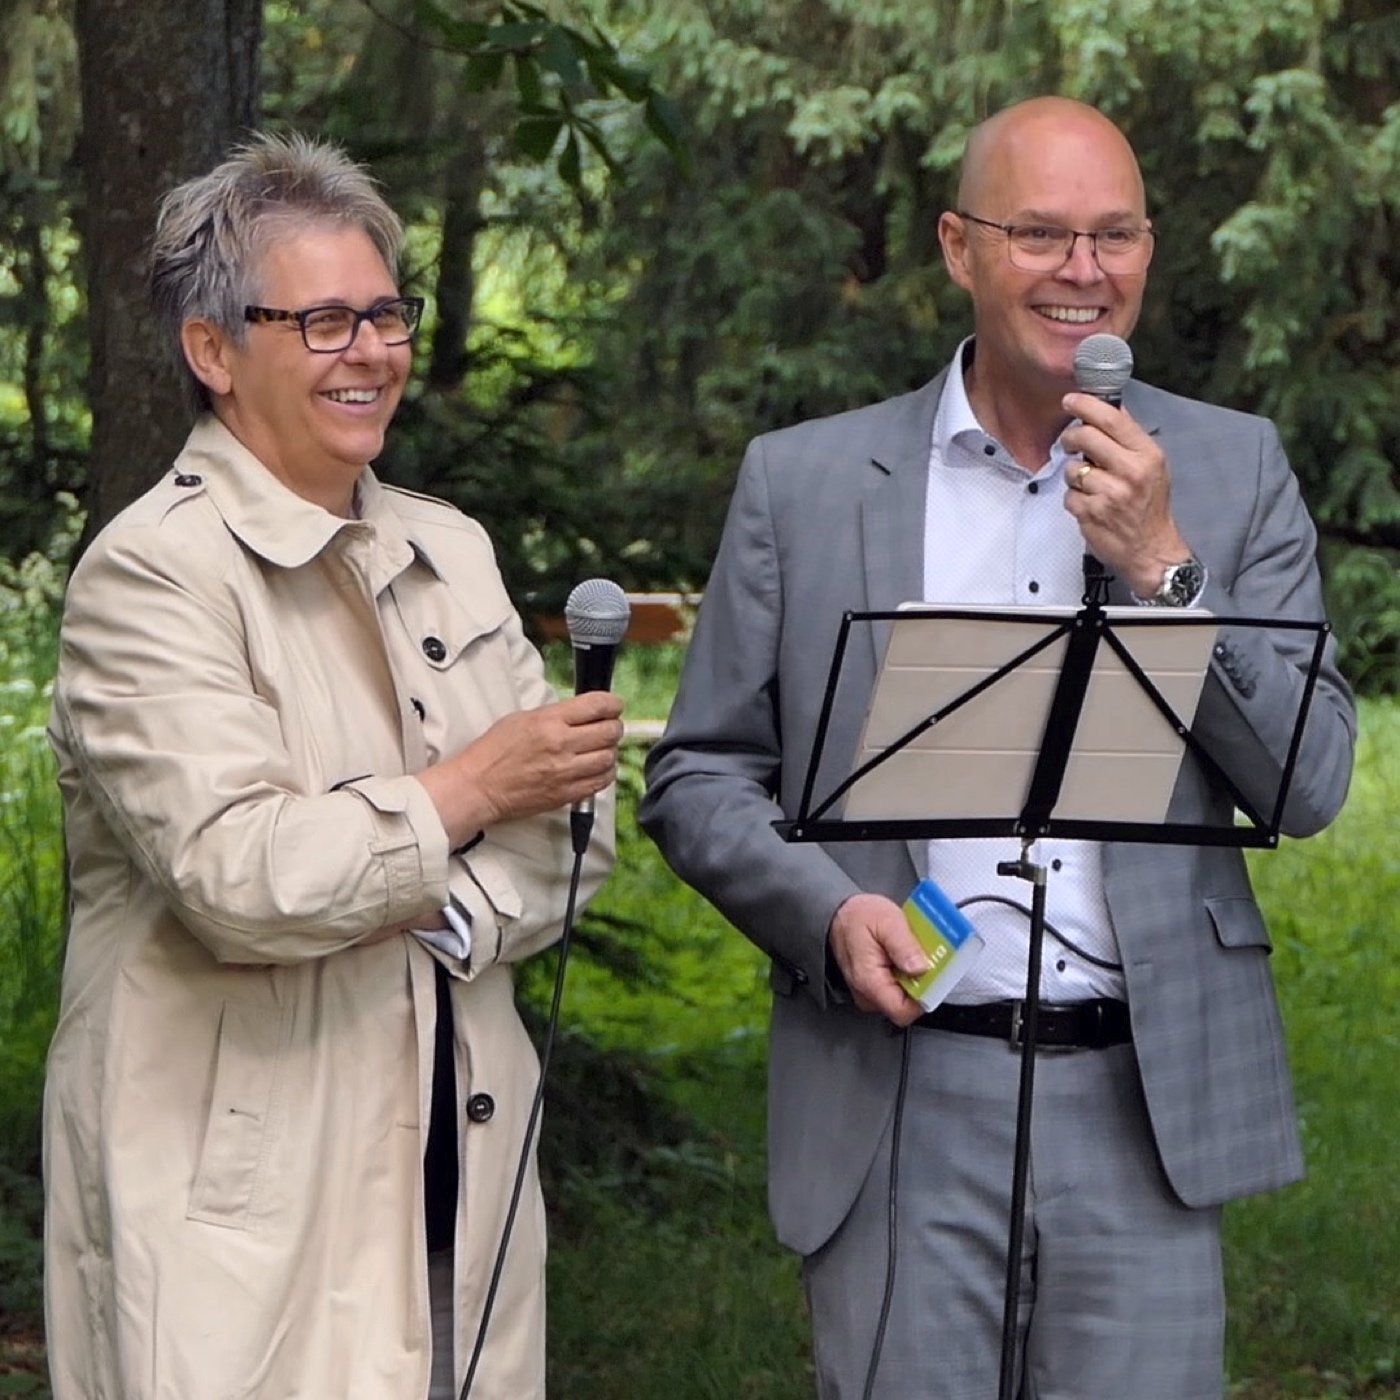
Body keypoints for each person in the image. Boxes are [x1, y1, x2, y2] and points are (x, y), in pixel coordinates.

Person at [640, 95, 1357, 1399]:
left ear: (1150, 248)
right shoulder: (802, 483)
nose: (1085, 273)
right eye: (1041, 234)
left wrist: (1165, 568)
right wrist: (825, 910)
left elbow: (1308, 781)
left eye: (1115, 235)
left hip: (1144, 1102)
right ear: (959, 246)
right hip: (901, 1089)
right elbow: (698, 774)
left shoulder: (1235, 472)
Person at [43, 132, 623, 1400]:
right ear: (214, 351)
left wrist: (443, 906)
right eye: (320, 321)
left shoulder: (451, 547)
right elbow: (239, 875)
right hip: (242, 1200)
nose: (369, 351)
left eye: (384, 314)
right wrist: (465, 791)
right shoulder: (150, 575)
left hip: (454, 1169)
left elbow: (574, 830)